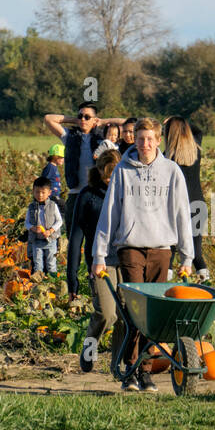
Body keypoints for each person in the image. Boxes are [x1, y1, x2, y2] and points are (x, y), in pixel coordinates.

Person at [93, 118, 195, 392]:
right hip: (130, 247)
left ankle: (146, 371)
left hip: (162, 249)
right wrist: (99, 254)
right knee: (134, 309)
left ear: (158, 141)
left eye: (150, 139)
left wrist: (187, 256)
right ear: (134, 140)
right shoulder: (122, 171)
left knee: (154, 313)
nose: (145, 144)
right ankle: (131, 369)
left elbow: (182, 214)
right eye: (140, 139)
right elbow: (110, 212)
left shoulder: (172, 172)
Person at [67, 150, 120, 368]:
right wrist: (72, 278)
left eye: (114, 175)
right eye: (106, 175)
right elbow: (75, 237)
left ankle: (119, 363)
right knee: (106, 314)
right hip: (100, 263)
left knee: (125, 316)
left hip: (127, 260)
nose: (110, 180)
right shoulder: (88, 195)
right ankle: (90, 347)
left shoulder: (126, 193)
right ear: (98, 171)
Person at [43, 106, 106, 235]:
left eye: (87, 117)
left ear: (94, 120)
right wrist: (74, 120)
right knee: (73, 236)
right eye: (80, 116)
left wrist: (103, 122)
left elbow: (129, 124)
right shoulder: (69, 136)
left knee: (96, 237)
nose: (83, 119)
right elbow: (48, 119)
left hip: (97, 192)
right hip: (76, 193)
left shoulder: (103, 138)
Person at [164, 115, 209, 280]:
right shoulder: (195, 150)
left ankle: (164, 286)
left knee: (169, 251)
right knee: (196, 253)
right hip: (198, 205)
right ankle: (206, 286)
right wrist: (182, 121)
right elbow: (198, 130)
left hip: (176, 207)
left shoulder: (166, 157)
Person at [24, 177, 63, 275]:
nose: (40, 195)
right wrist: (32, 228)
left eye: (43, 192)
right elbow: (26, 223)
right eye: (37, 192)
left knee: (51, 263)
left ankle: (53, 284)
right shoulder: (31, 207)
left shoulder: (53, 206)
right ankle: (38, 285)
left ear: (49, 193)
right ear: (33, 191)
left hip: (50, 240)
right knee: (38, 264)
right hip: (36, 240)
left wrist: (50, 231)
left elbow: (59, 221)